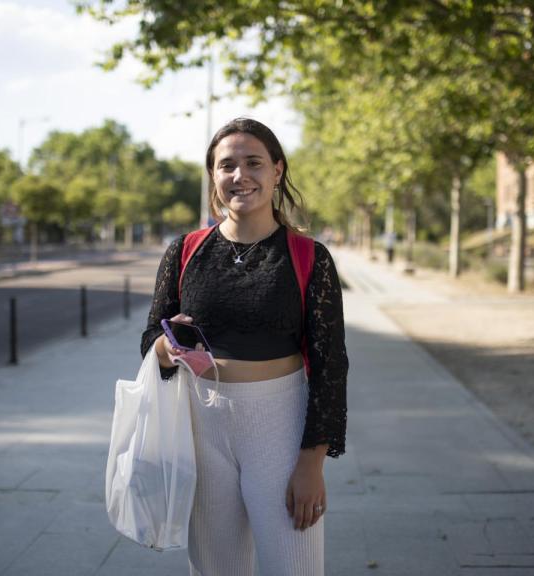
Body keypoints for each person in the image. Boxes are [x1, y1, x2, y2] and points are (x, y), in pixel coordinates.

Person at [141, 118, 348, 576]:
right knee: (215, 569)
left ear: (277, 170)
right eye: (226, 165)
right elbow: (149, 343)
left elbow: (331, 364)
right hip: (201, 424)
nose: (240, 175)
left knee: (294, 566)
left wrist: (313, 463)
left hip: (278, 425)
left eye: (253, 163)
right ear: (213, 176)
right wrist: (165, 349)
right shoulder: (185, 251)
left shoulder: (308, 256)